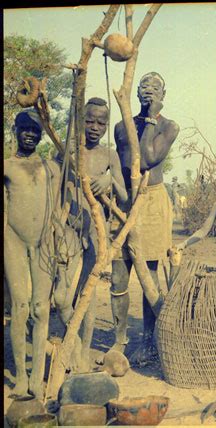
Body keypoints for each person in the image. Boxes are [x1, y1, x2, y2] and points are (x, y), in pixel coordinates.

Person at [109, 71, 179, 365]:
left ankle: (149, 342)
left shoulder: (170, 127)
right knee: (118, 275)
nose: (148, 91)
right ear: (135, 93)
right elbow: (120, 162)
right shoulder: (121, 126)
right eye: (144, 86)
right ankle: (119, 341)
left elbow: (148, 158)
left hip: (151, 201)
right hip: (123, 200)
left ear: (164, 94)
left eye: (155, 88)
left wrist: (151, 119)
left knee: (148, 272)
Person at [53, 97, 127, 372]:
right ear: (81, 121)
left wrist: (109, 180)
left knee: (89, 294)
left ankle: (82, 351)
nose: (95, 127)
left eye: (101, 122)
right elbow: (53, 184)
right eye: (90, 120)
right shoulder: (68, 150)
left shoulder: (109, 155)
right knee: (62, 296)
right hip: (68, 230)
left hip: (96, 232)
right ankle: (70, 345)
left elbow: (124, 194)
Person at [4, 110, 61, 399]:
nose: (30, 134)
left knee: (40, 309)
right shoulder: (7, 168)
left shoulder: (52, 168)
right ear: (15, 131)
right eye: (25, 129)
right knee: (20, 308)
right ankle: (21, 378)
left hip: (44, 245)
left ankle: (37, 377)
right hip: (13, 241)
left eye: (36, 130)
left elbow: (58, 210)